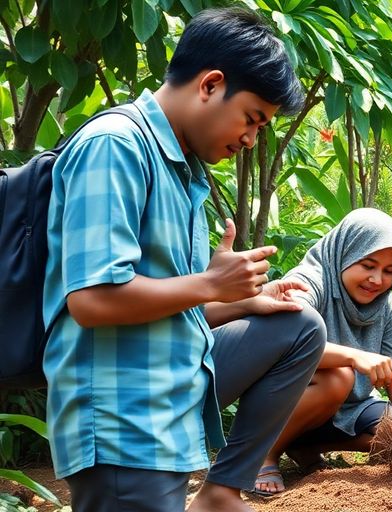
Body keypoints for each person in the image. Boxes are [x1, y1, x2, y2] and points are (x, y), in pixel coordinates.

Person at [43, 8, 326, 512]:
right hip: (121, 423)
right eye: (252, 119)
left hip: (165, 406)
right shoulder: (116, 145)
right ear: (211, 84)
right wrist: (212, 286)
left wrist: (247, 302)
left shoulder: (181, 170)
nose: (249, 139)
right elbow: (90, 300)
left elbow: (171, 305)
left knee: (299, 326)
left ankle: (220, 491)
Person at [252, 209, 392, 494]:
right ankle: (261, 455)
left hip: (346, 410)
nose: (377, 280)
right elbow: (289, 342)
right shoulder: (309, 281)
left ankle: (304, 446)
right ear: (347, 252)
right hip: (287, 399)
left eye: (388, 271)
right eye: (368, 265)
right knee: (339, 377)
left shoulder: (386, 306)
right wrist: (355, 357)